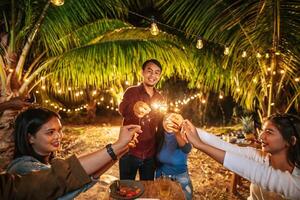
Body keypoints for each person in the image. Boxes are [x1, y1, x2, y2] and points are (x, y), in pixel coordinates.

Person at [5, 107, 139, 199]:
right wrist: (115, 147)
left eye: (59, 130)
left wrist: (119, 151)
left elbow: (82, 179)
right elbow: (67, 182)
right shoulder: (23, 169)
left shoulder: (46, 162)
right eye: (50, 132)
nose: (58, 136)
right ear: (30, 138)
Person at [181, 113, 300, 200]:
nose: (261, 136)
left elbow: (253, 170)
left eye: (269, 132)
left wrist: (200, 145)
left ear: (291, 141)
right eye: (263, 131)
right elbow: (227, 147)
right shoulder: (262, 157)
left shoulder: (297, 183)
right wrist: (186, 126)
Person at [118, 59, 164, 180]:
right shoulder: (132, 91)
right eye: (149, 71)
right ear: (142, 72)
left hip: (150, 153)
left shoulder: (160, 98)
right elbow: (122, 108)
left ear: (159, 76)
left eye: (156, 72)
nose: (152, 75)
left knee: (147, 190)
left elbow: (160, 125)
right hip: (129, 150)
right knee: (126, 188)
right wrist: (134, 107)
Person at [155, 113, 193, 200]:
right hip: (163, 178)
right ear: (163, 122)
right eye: (167, 119)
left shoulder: (183, 135)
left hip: (180, 179)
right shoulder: (159, 136)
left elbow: (186, 149)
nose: (171, 122)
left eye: (174, 120)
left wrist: (177, 133)